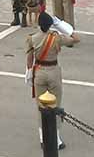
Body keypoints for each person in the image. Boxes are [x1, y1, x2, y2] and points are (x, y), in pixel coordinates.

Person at [26, 11, 79, 149]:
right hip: (53, 71)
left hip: (39, 72)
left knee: (41, 106)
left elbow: (29, 57)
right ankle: (56, 139)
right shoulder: (56, 38)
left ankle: (43, 138)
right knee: (55, 106)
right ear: (50, 25)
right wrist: (61, 25)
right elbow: (75, 38)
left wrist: (29, 72)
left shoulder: (32, 38)